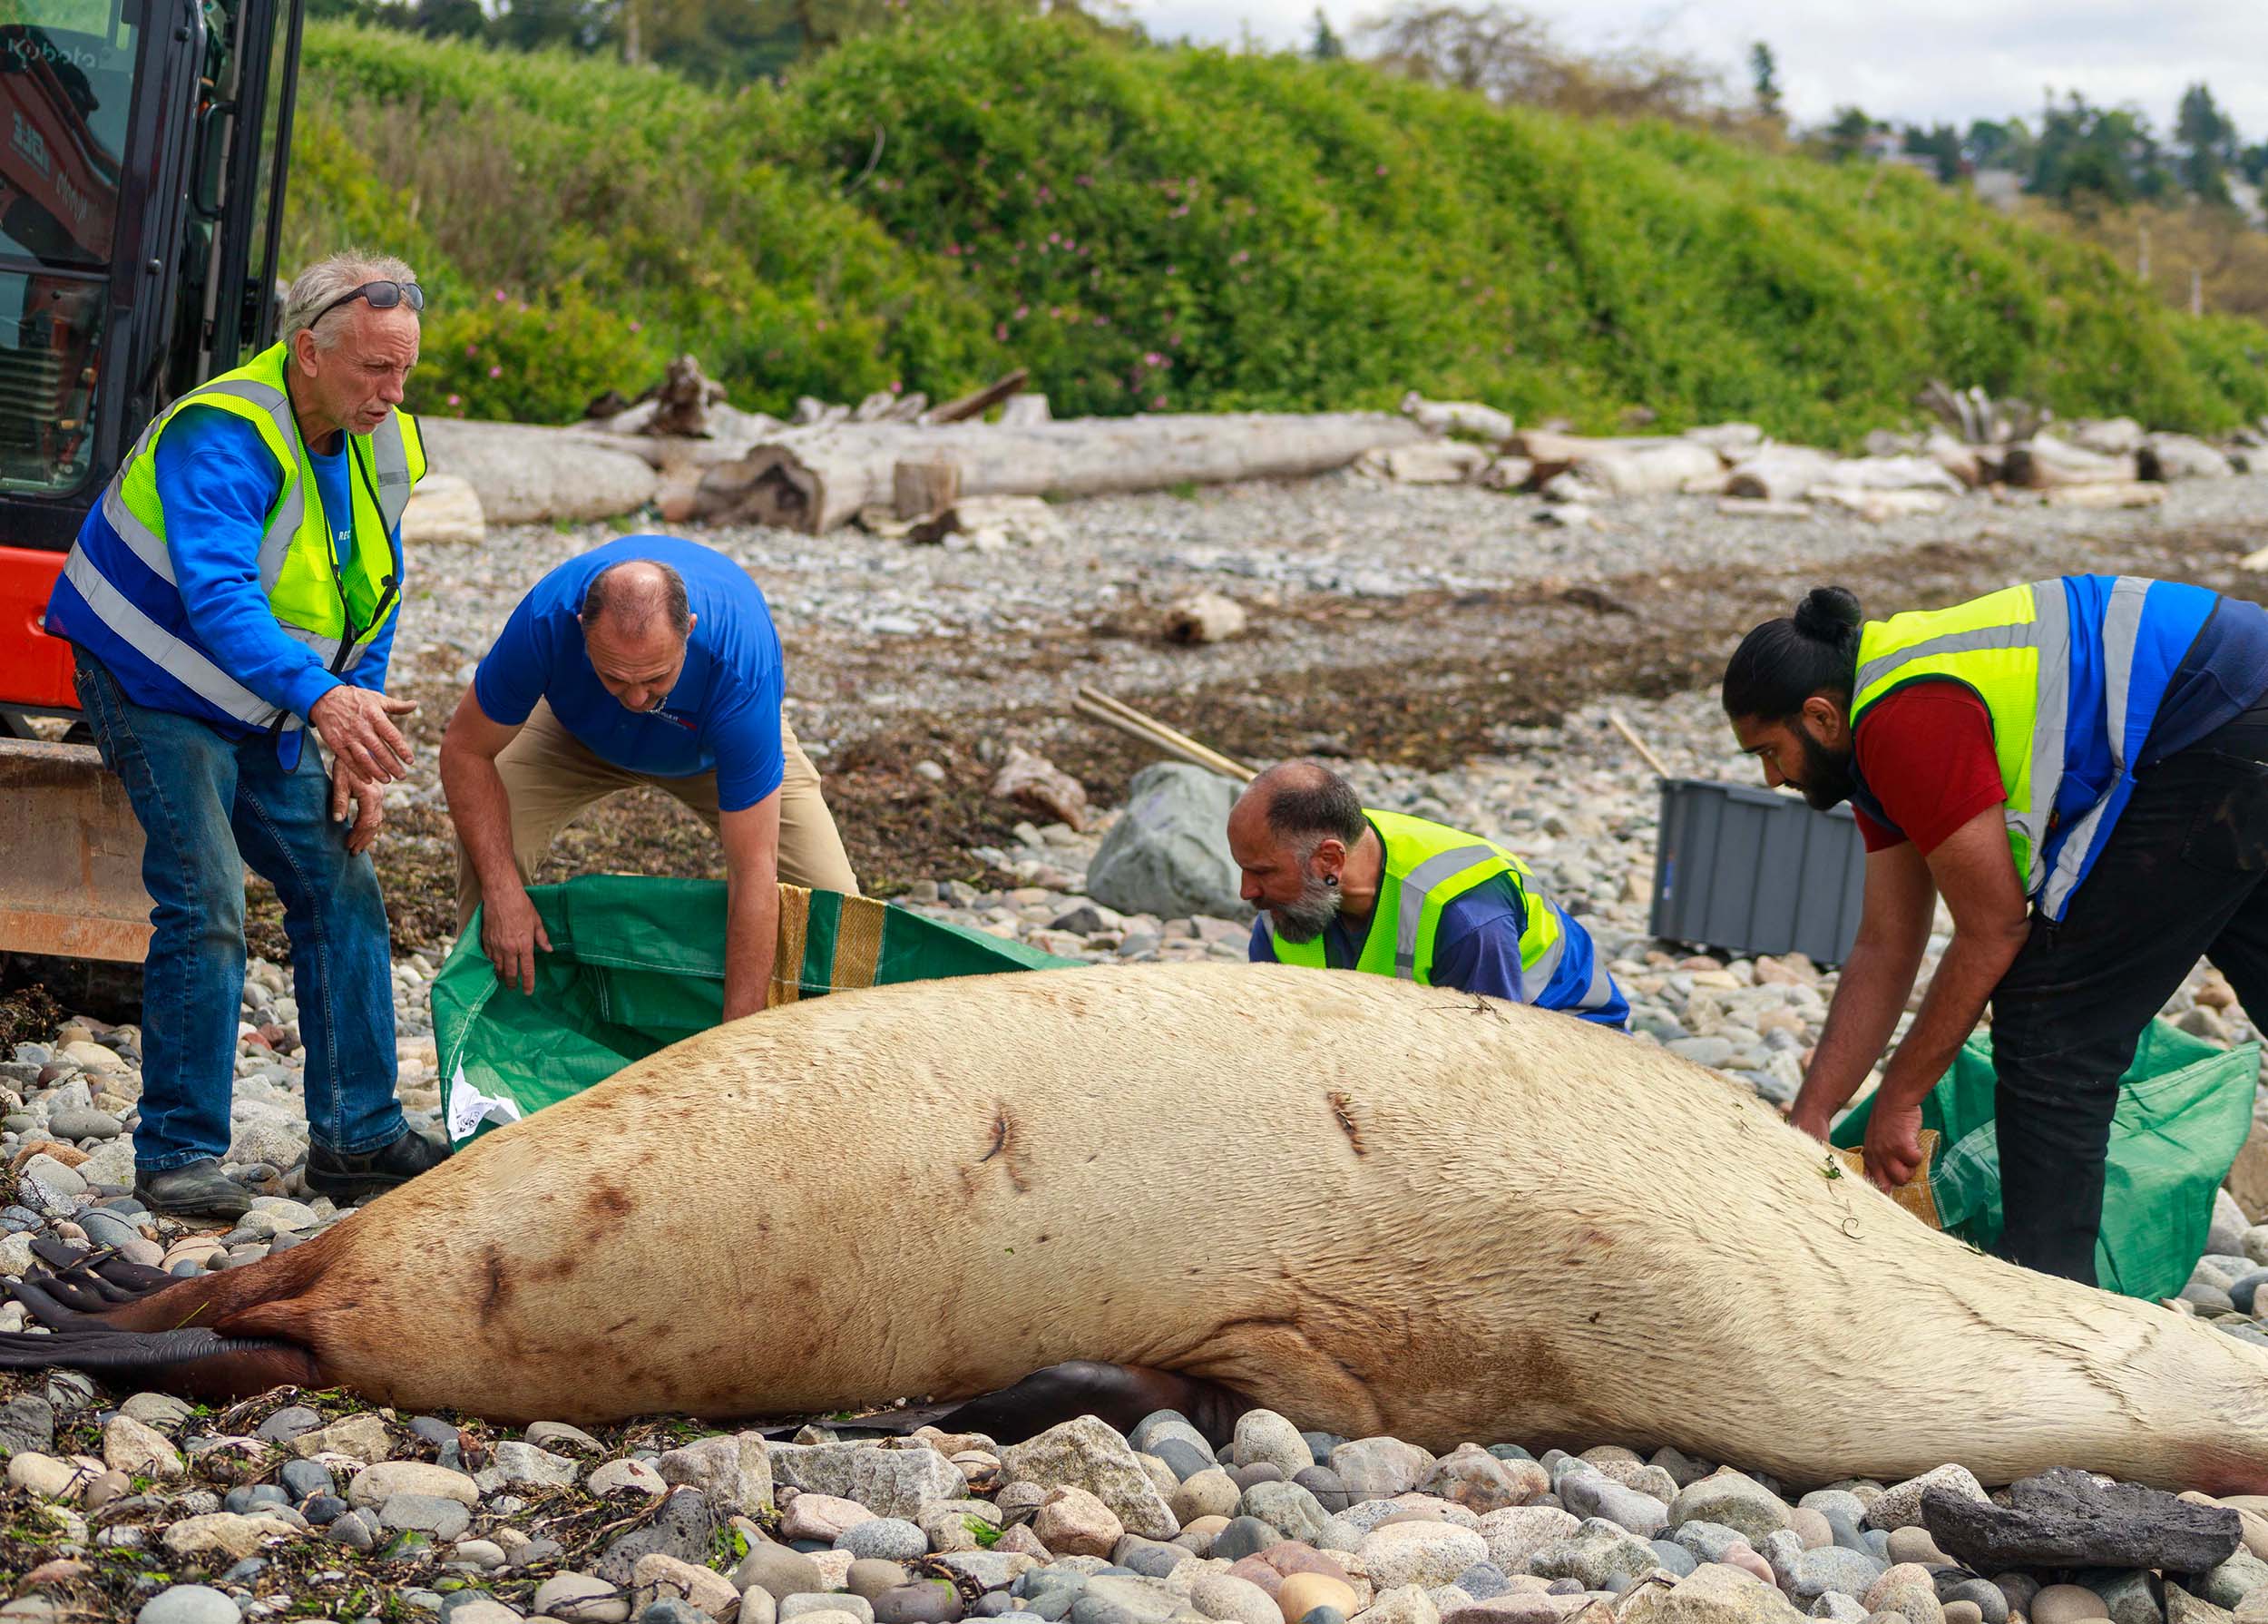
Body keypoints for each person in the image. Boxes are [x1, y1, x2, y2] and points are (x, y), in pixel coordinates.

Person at [43, 251, 447, 1218]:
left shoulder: (379, 441)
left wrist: (358, 724)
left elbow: (370, 597)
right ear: (308, 350)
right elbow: (221, 597)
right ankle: (178, 1150)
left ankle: (358, 1134)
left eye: (404, 370)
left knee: (341, 882)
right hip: (151, 682)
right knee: (208, 893)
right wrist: (322, 700)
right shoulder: (222, 431)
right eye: (373, 370)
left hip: (268, 697)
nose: (393, 393)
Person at [1722, 575, 2268, 1283]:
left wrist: (1901, 1098)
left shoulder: (1902, 719)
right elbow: (1885, 946)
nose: (1770, 779)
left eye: (1769, 752)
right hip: (2234, 705)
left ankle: (2049, 1310)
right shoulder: (1871, 746)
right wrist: (1812, 1118)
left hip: (2218, 713)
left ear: (1821, 718)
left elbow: (1994, 929)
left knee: (2053, 1021)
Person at [440, 534, 859, 1023]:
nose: (637, 700)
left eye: (656, 679)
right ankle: (486, 1034)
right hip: (577, 733)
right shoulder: (545, 621)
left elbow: (753, 873)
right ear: (581, 629)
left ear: (690, 632)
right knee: (489, 853)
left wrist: (733, 1045)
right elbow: (465, 750)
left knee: (835, 899)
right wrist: (503, 893)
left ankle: (826, 1042)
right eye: (616, 676)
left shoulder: (739, 666)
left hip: (710, 750)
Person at [1226, 759, 1629, 1026]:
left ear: (1329, 861)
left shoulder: (1466, 916)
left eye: (1261, 871)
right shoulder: (1288, 906)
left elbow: (1493, 1060)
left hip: (1568, 1035)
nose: (1247, 891)